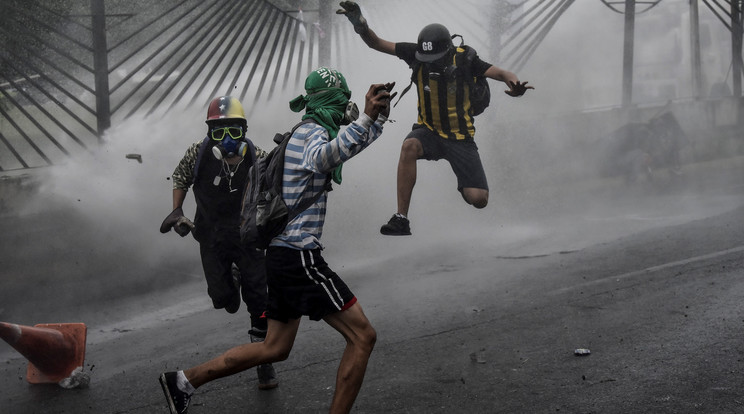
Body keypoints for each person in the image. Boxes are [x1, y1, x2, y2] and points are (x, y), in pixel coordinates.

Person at [159, 68, 394, 414]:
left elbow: (337, 149)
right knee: (363, 337)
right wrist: (366, 121)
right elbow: (323, 158)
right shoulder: (310, 133)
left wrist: (376, 122)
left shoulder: (311, 130)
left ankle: (183, 381)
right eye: (344, 99)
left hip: (283, 255)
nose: (349, 106)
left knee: (274, 348)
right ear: (332, 100)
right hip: (300, 256)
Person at [337, 1, 534, 236]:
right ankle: (401, 218)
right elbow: (376, 43)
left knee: (479, 199)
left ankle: (464, 183)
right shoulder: (417, 55)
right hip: (428, 131)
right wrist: (359, 23)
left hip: (460, 138)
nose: (430, 63)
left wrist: (514, 84)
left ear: (448, 51)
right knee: (409, 145)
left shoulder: (466, 60)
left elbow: (500, 73)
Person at [159, 96, 277, 390]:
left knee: (259, 300)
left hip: (248, 237)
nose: (226, 139)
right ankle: (229, 284)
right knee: (223, 300)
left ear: (244, 130)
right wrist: (178, 212)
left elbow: (273, 187)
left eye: (234, 131)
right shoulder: (196, 154)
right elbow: (180, 177)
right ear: (209, 132)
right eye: (219, 131)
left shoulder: (256, 156)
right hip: (210, 235)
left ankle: (264, 362)